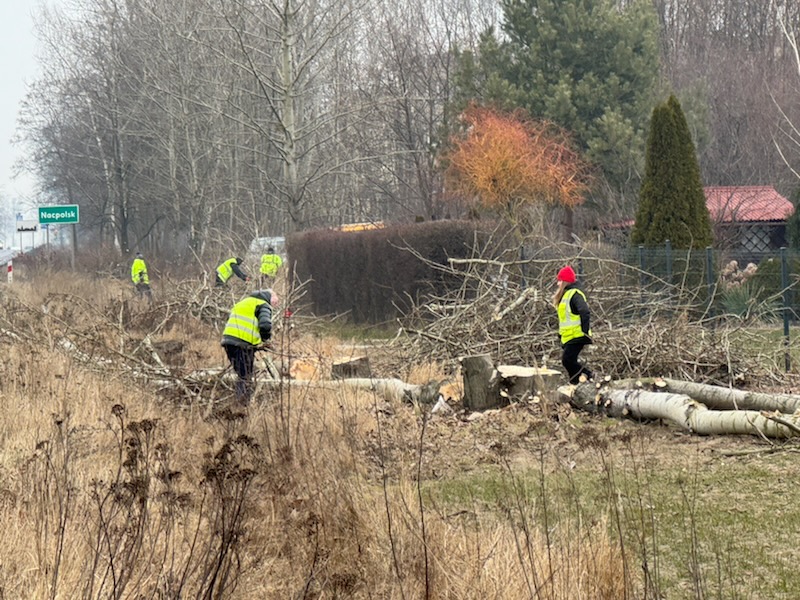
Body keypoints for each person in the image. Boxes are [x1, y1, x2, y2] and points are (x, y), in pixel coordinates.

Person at [221, 289, 280, 404]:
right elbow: (265, 325)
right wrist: (266, 339)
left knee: (241, 374)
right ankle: (242, 403)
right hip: (243, 344)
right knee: (245, 376)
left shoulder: (243, 302)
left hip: (228, 341)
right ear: (269, 298)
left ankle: (239, 400)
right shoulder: (263, 305)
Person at [552, 265, 594, 384]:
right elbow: (564, 319)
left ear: (565, 281)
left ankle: (589, 375)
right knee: (570, 362)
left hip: (577, 335)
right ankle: (575, 384)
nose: (558, 284)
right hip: (569, 336)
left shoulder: (575, 294)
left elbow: (585, 311)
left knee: (567, 360)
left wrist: (585, 331)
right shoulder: (566, 295)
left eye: (559, 281)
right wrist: (561, 335)